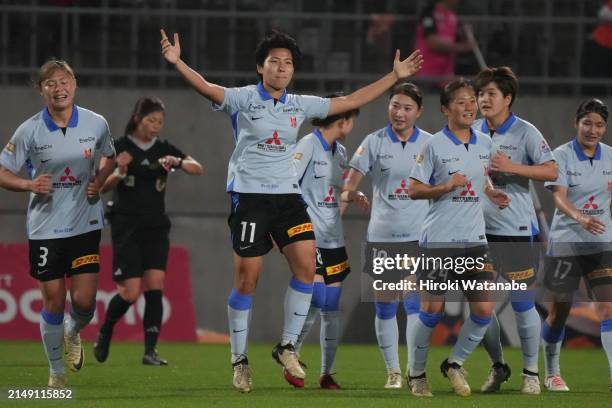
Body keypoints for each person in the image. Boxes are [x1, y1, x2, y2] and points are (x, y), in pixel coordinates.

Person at [159, 28, 423, 393]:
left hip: (287, 198)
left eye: (288, 63)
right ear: (260, 67)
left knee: (307, 267)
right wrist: (177, 63)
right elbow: (207, 87)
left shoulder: (299, 104)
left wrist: (394, 77)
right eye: (275, 62)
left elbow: (349, 101)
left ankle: (285, 346)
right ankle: (239, 360)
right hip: (249, 198)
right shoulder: (243, 99)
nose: (282, 68)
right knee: (247, 280)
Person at [0, 59, 116, 388]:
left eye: (64, 81)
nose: (59, 87)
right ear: (42, 90)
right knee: (53, 300)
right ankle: (56, 373)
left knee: (84, 302)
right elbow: (3, 170)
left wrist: (100, 178)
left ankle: (73, 330)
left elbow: (110, 155)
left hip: (85, 222)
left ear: (75, 85)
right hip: (45, 228)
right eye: (51, 83)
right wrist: (28, 185)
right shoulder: (29, 130)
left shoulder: (96, 123)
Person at [406, 79, 510, 397]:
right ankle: (417, 374)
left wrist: (491, 193)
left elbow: (482, 175)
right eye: (461, 102)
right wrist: (445, 186)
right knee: (432, 311)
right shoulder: (432, 145)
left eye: (471, 101)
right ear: (445, 109)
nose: (469, 106)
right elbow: (413, 189)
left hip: (474, 240)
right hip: (438, 240)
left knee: (482, 310)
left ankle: (454, 364)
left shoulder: (484, 144)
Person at [93, 97, 203, 366]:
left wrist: (176, 162)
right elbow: (100, 185)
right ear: (137, 119)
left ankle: (150, 351)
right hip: (126, 226)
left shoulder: (163, 150)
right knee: (130, 292)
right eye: (150, 120)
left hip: (155, 227)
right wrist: (119, 171)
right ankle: (105, 330)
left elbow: (197, 168)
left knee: (155, 285)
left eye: (160, 122)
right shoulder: (119, 147)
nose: (155, 126)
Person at [472, 66, 558, 395]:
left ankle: (531, 373)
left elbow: (551, 169)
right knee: (479, 306)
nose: (484, 99)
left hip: (516, 229)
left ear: (507, 98)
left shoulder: (526, 133)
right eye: (481, 94)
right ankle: (498, 366)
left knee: (523, 304)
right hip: (477, 230)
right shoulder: (474, 131)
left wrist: (512, 168)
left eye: (491, 94)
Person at [343, 82, 432, 391]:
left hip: (419, 238)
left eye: (407, 108)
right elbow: (350, 182)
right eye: (395, 105)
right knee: (385, 306)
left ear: (419, 112)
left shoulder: (432, 145)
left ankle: (413, 370)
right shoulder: (373, 142)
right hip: (382, 236)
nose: (400, 112)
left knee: (413, 303)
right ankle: (393, 371)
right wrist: (350, 195)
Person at [291, 93, 362, 389]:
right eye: (351, 119)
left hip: (334, 238)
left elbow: (330, 193)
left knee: (330, 306)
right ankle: (288, 350)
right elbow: (290, 185)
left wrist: (351, 195)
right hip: (310, 236)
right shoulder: (307, 145)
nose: (352, 125)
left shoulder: (340, 152)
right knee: (319, 298)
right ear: (343, 119)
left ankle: (326, 373)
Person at [541, 99, 612, 392]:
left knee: (607, 308)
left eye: (598, 125)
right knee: (560, 311)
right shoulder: (561, 155)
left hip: (600, 244)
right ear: (576, 123)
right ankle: (552, 372)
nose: (592, 130)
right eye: (587, 123)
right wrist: (580, 218)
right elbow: (558, 197)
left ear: (605, 127)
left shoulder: (611, 157)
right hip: (567, 242)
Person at [414, 0, 475, 89]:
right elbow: (433, 44)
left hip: (446, 77)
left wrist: (467, 34)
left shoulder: (453, 16)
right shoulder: (429, 14)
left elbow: (459, 38)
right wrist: (464, 47)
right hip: (427, 75)